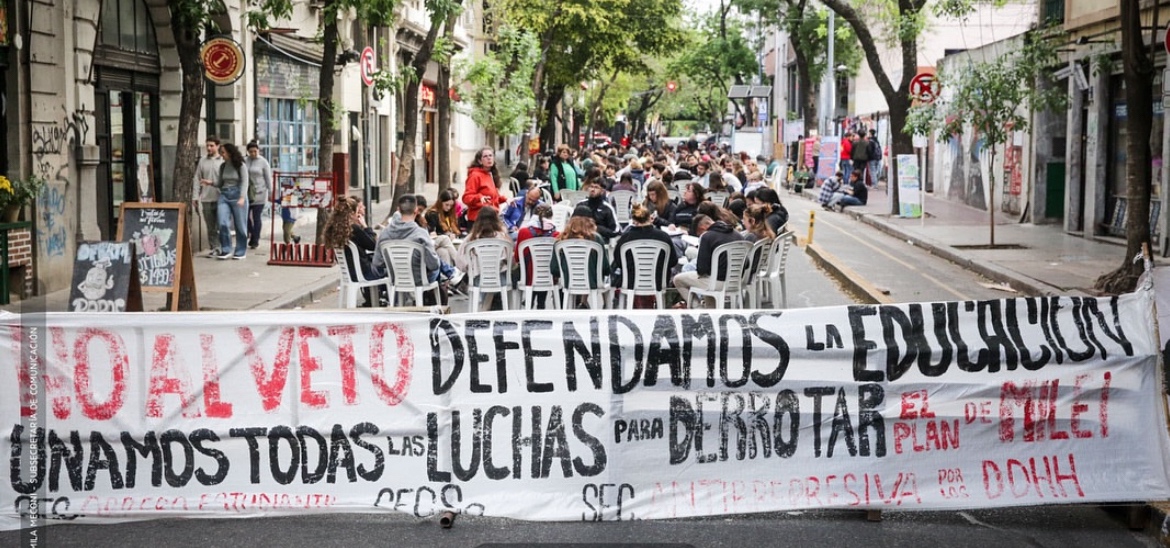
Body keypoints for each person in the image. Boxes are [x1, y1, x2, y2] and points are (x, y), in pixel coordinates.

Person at [374, 195, 452, 289]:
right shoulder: (421, 234)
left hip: (394, 279)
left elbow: (377, 263)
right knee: (437, 268)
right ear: (416, 210)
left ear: (398, 209)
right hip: (419, 279)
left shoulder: (384, 234)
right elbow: (433, 265)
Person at [671, 213, 744, 308]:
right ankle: (710, 308)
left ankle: (699, 309)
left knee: (678, 280)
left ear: (702, 228)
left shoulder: (707, 237)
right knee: (708, 277)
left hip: (717, 282)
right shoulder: (737, 235)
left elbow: (701, 269)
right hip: (738, 280)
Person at [613, 204, 679, 305]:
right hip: (658, 282)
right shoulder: (663, 237)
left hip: (630, 281)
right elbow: (673, 261)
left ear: (633, 220)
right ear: (651, 218)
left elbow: (618, 261)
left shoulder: (626, 238)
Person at [555, 205, 612, 305]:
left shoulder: (561, 238)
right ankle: (598, 305)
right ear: (590, 221)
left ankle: (581, 303)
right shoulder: (596, 238)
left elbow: (554, 268)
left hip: (568, 281)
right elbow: (605, 268)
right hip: (592, 282)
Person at [515, 203, 559, 308]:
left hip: (527, 277)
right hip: (549, 278)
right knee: (546, 268)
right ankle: (541, 304)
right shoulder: (556, 235)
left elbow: (517, 258)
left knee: (530, 267)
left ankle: (529, 303)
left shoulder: (523, 232)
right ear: (551, 217)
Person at [215, 142, 250, 259]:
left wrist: (242, 197)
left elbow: (245, 182)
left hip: (237, 194)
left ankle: (240, 251)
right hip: (224, 195)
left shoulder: (240, 165)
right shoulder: (223, 166)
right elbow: (220, 183)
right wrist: (210, 183)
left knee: (240, 225)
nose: (221, 155)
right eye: (220, 153)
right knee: (222, 222)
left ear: (230, 153)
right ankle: (226, 249)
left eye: (223, 152)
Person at [193, 136, 223, 256]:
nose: (209, 148)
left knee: (222, 224)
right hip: (206, 198)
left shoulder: (223, 160)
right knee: (210, 226)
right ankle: (215, 247)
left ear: (217, 146)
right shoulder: (202, 161)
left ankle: (224, 246)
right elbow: (197, 179)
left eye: (211, 145)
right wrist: (195, 197)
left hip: (221, 198)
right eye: (207, 145)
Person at [462, 147, 508, 224]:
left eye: (490, 155)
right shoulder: (475, 176)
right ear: (480, 161)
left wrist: (506, 200)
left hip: (492, 217)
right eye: (485, 156)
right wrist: (480, 197)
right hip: (478, 220)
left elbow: (492, 197)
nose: (489, 158)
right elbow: (466, 198)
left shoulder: (490, 174)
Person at [244, 141, 273, 250]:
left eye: (255, 151)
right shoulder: (245, 161)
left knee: (256, 217)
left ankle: (255, 240)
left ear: (258, 151)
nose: (253, 154)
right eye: (251, 152)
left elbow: (268, 178)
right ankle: (252, 233)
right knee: (245, 217)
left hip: (260, 192)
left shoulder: (263, 162)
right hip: (247, 193)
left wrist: (270, 192)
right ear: (248, 152)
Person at [578, 174, 619, 241]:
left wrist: (598, 229)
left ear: (602, 191)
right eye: (591, 187)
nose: (593, 190)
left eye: (596, 187)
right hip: (581, 240)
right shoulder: (581, 205)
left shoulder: (607, 208)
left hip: (600, 241)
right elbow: (571, 225)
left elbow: (615, 231)